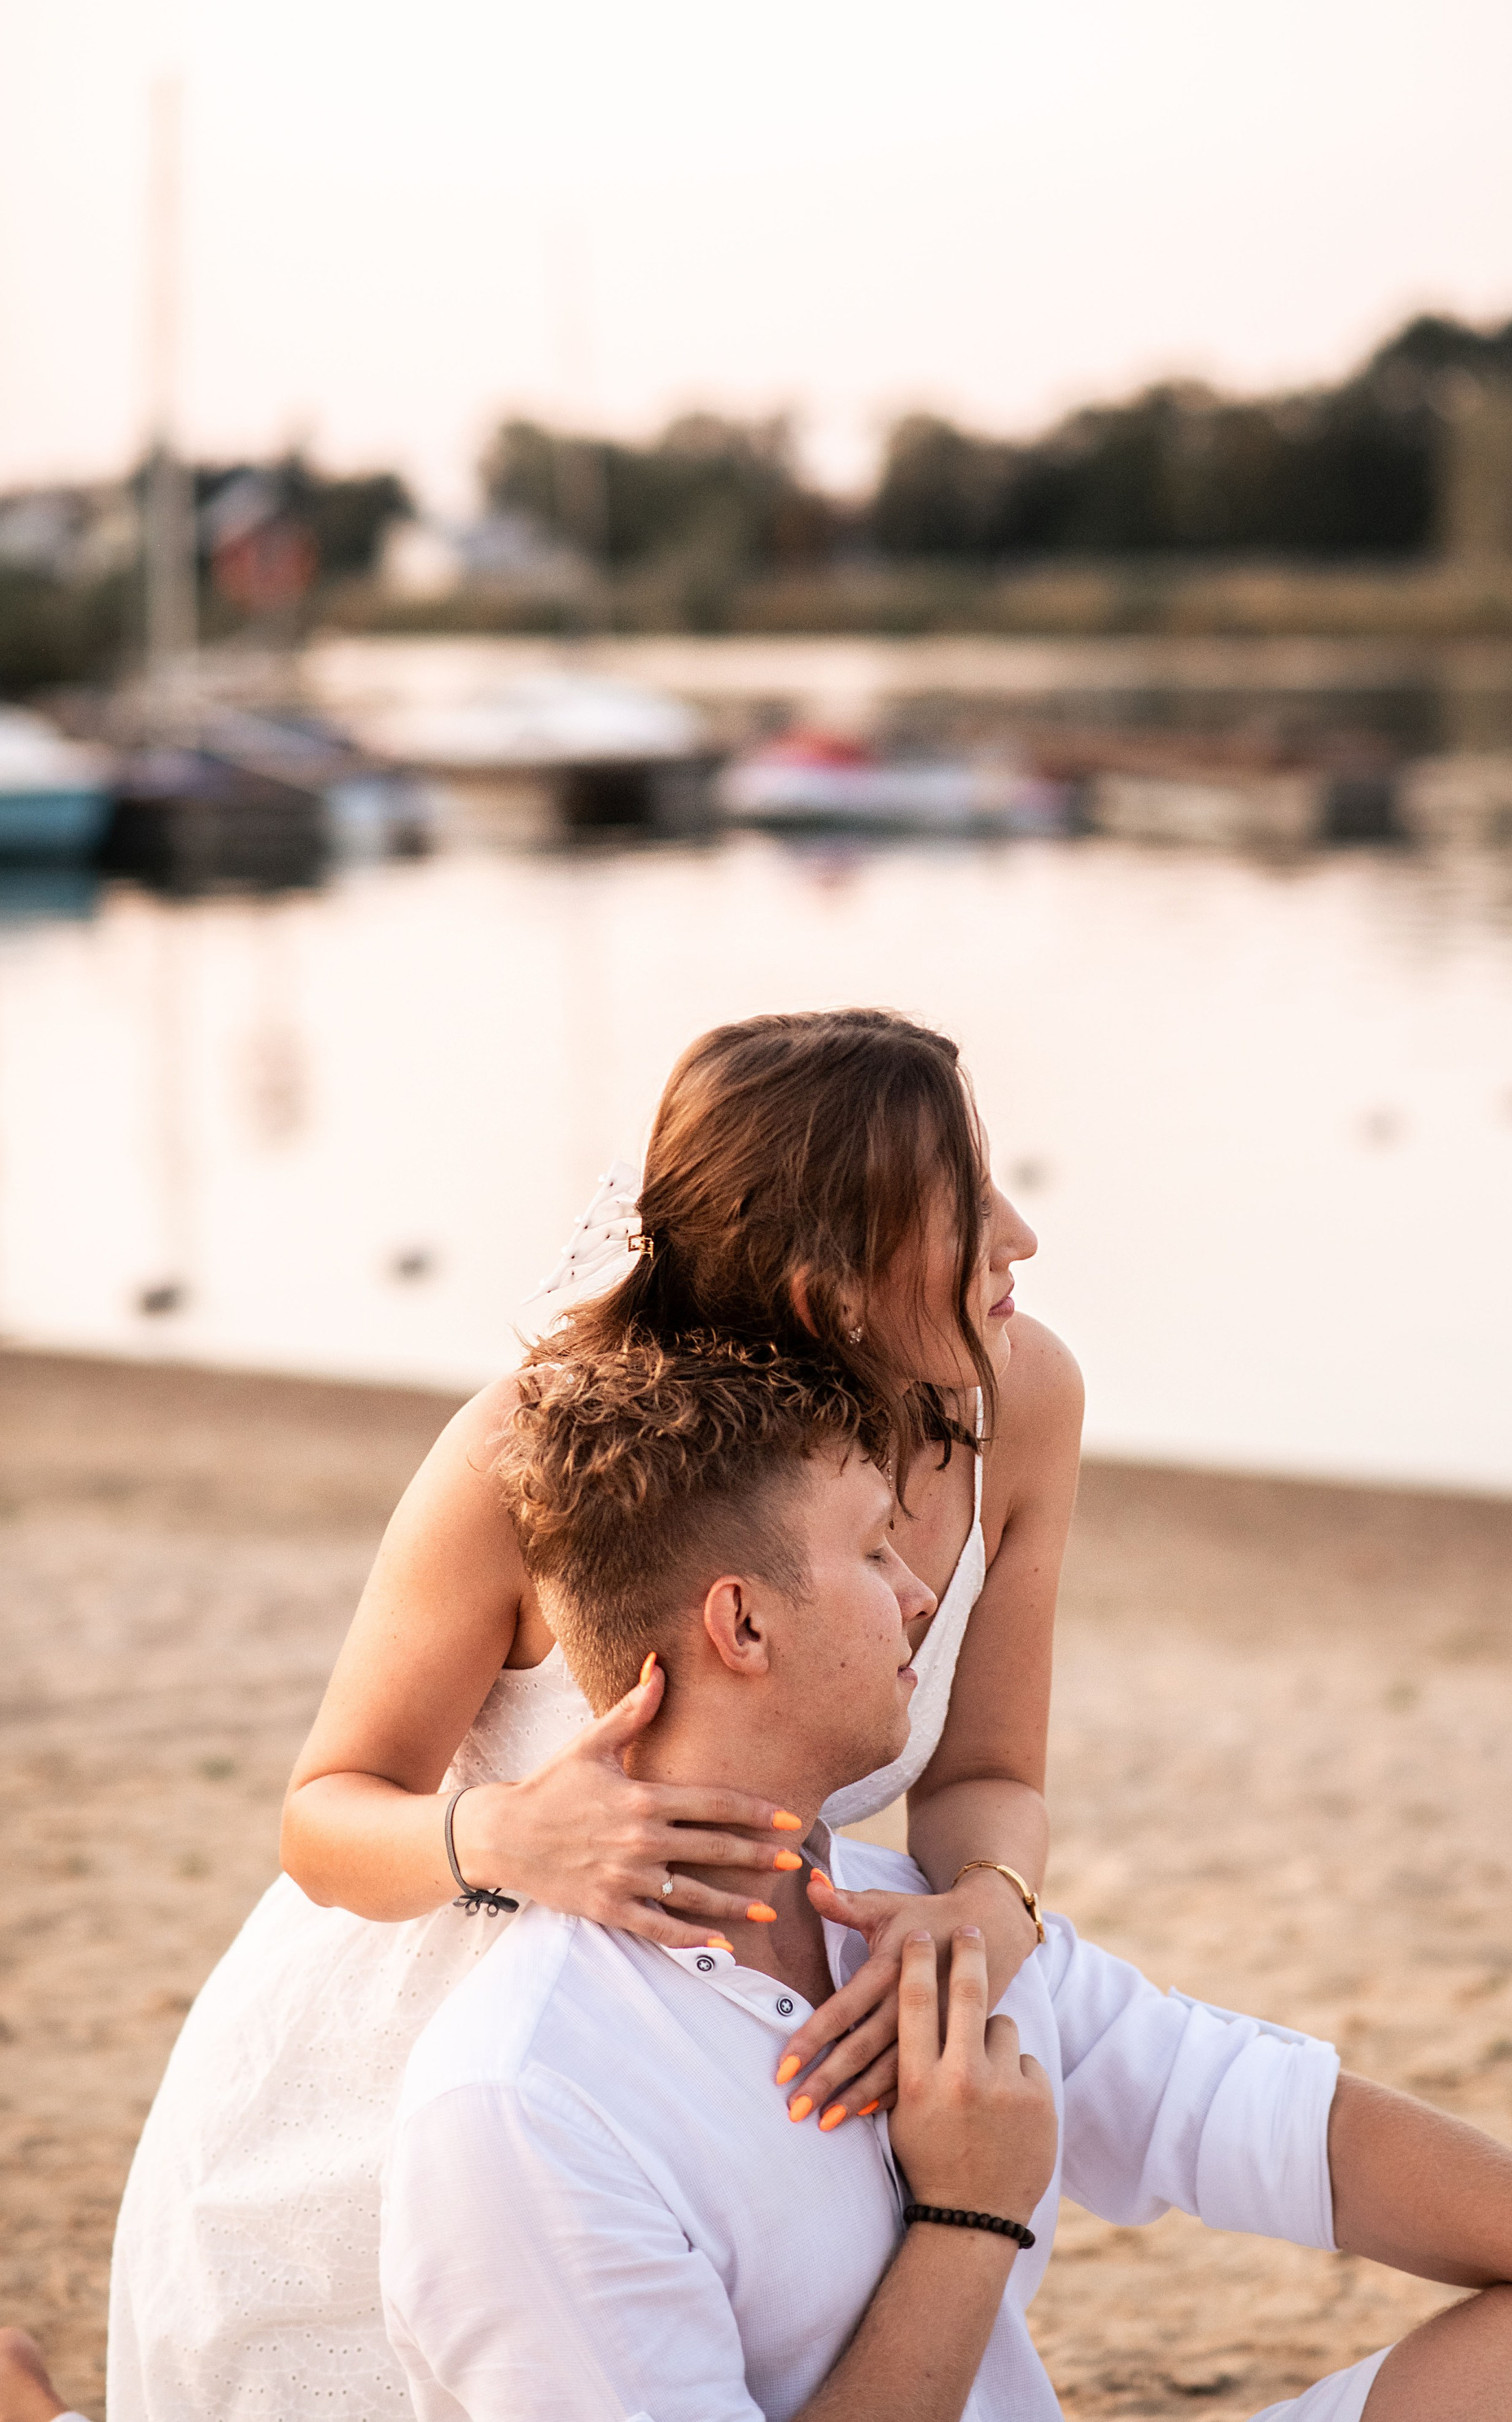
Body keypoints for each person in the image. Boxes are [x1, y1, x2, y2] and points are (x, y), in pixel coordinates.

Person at [381, 1333, 1512, 2422]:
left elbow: (1294, 2134)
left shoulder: (909, 1926)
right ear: (742, 1623)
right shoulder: (527, 2103)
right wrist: (968, 2215)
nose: (921, 1596)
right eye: (875, 1553)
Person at [105, 1010, 1084, 2419]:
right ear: (827, 1290)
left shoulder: (1018, 1400)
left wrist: (984, 1910)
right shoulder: (539, 1453)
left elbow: (990, 1769)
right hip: (439, 2065)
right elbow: (324, 1817)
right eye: (961, 1204)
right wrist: (509, 1836)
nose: (1020, 1237)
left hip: (752, 2049)